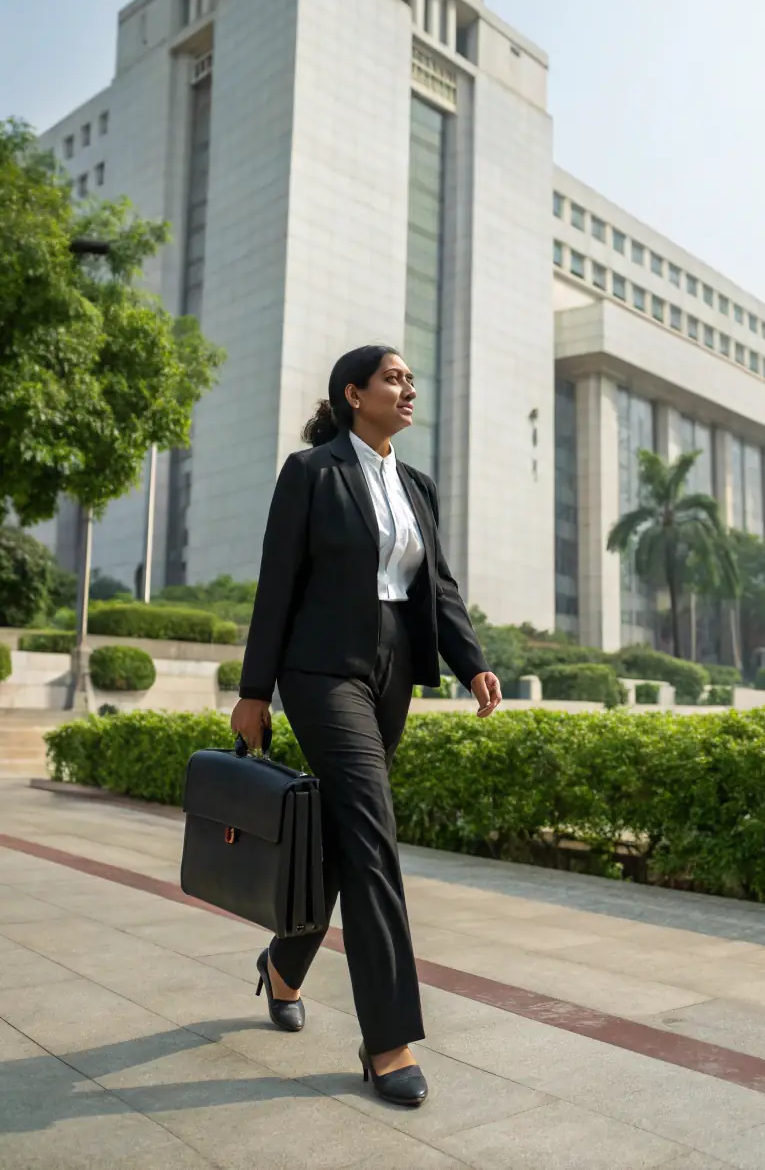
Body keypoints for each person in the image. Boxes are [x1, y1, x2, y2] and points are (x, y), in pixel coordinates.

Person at [232, 345, 502, 1108]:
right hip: (321, 670)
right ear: (354, 394)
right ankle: (387, 1041)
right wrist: (255, 690)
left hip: (391, 672)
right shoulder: (313, 472)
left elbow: (437, 584)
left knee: (347, 836)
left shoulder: (416, 485)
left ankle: (284, 966)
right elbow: (276, 582)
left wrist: (470, 658)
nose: (408, 387)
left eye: (411, 378)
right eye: (393, 377)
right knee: (373, 833)